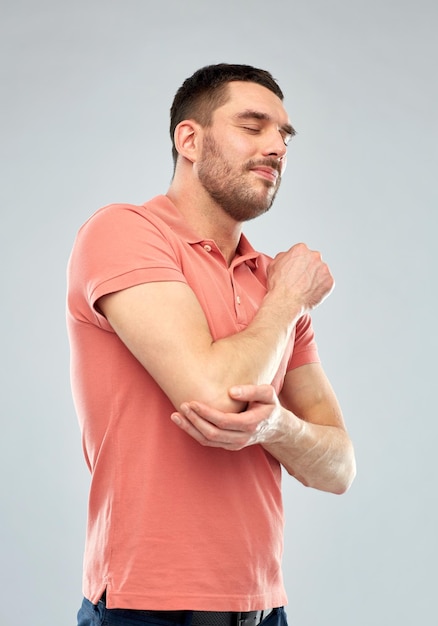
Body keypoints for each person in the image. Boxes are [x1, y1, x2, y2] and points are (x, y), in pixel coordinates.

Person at [67, 63, 356, 626]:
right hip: (144, 610)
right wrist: (288, 299)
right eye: (253, 126)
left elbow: (339, 467)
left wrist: (276, 427)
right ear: (190, 140)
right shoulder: (123, 232)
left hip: (263, 609)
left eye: (284, 136)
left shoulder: (271, 283)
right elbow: (217, 400)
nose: (276, 146)